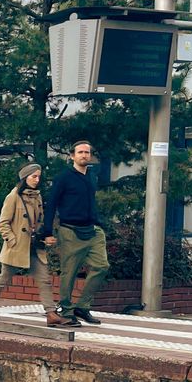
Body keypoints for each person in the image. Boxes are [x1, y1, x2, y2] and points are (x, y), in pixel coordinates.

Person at [40, 139, 109, 326]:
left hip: (93, 230)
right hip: (70, 231)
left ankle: (82, 306)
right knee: (69, 273)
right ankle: (67, 310)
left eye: (87, 152)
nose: (84, 155)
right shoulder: (63, 177)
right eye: (80, 152)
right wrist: (47, 231)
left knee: (102, 266)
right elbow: (51, 204)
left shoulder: (91, 177)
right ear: (72, 156)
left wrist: (99, 223)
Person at [0, 162, 55, 322]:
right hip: (17, 247)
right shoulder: (13, 196)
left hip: (35, 246)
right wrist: (12, 241)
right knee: (4, 278)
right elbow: (3, 223)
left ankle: (51, 313)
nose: (37, 180)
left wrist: (44, 236)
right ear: (25, 177)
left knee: (44, 279)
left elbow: (39, 221)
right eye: (33, 176)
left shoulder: (37, 197)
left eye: (38, 177)